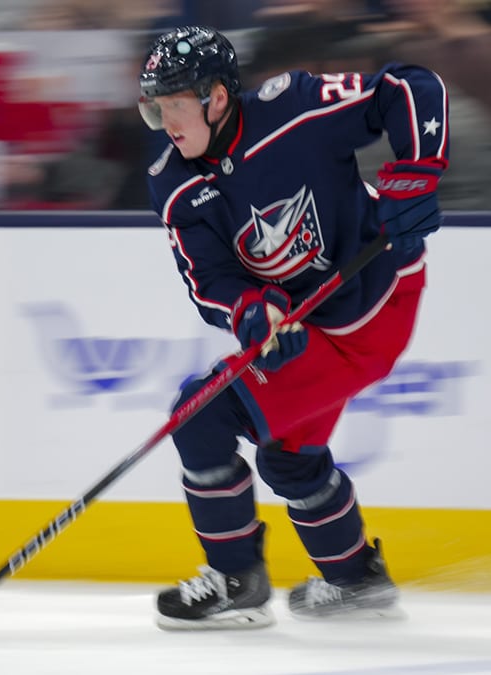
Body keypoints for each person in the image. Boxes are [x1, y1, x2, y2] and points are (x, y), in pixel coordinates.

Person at [138, 25, 449, 630]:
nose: (165, 120)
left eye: (175, 103)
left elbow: (409, 88)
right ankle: (356, 578)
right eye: (155, 106)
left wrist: (419, 169)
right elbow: (209, 281)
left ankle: (234, 580)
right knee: (288, 456)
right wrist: (253, 312)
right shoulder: (171, 181)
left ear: (217, 97)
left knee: (199, 415)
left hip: (374, 304)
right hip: (309, 320)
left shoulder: (295, 107)